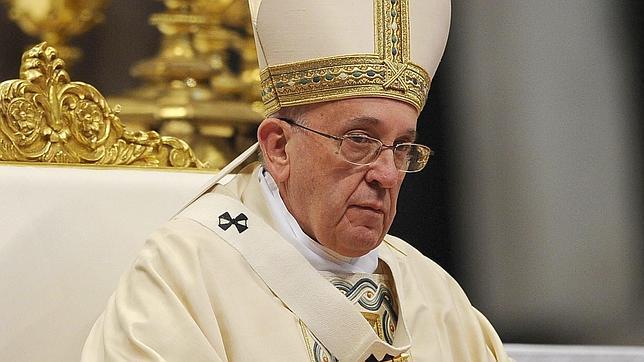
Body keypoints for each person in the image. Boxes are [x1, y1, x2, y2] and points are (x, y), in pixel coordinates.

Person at [82, 0, 513, 361]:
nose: (386, 174)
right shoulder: (183, 275)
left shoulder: (436, 297)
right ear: (279, 147)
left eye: (402, 148)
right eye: (359, 140)